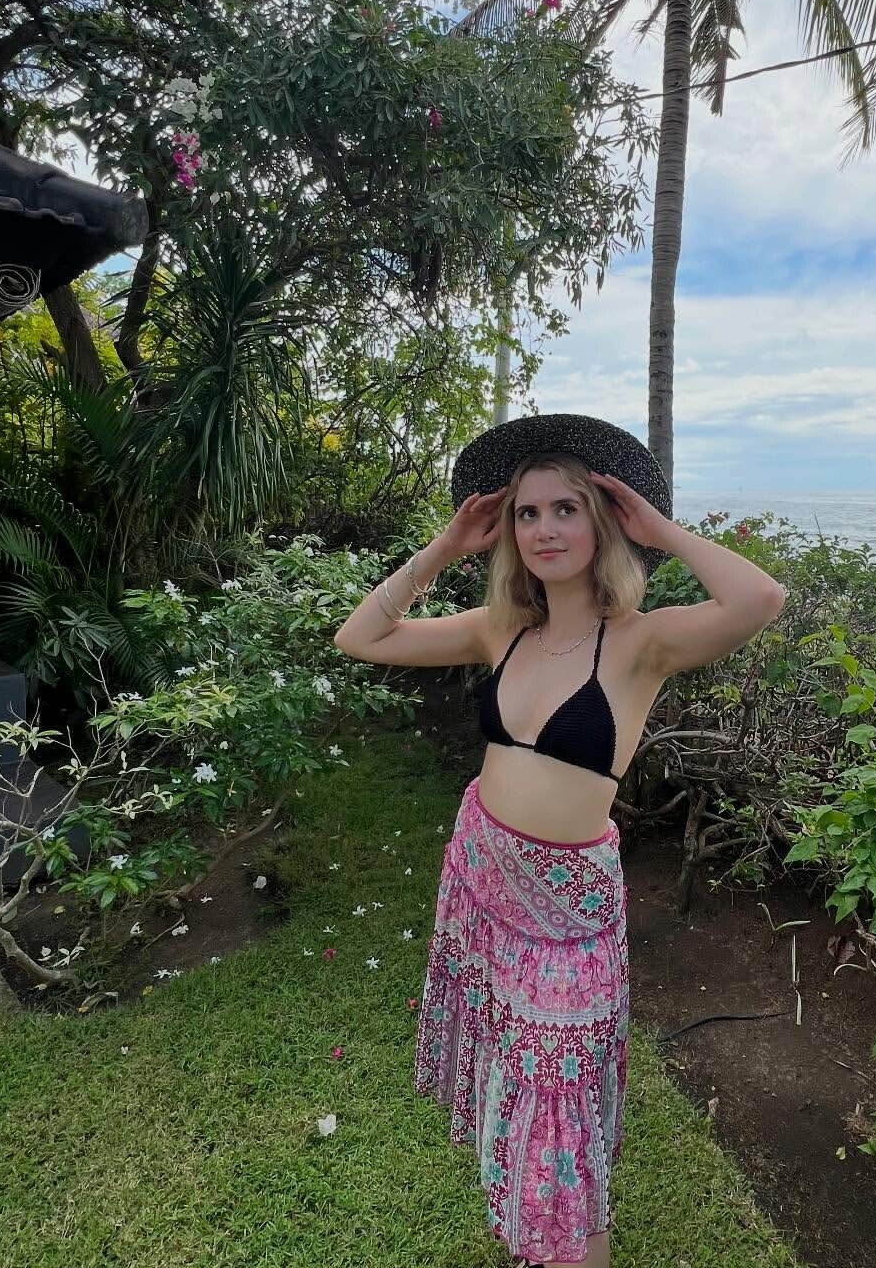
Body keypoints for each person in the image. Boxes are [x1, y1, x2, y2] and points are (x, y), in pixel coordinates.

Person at [332, 414, 787, 1268]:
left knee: (561, 1112)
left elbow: (760, 599)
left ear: (601, 521)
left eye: (567, 509)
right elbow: (360, 636)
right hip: (485, 887)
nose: (544, 529)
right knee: (515, 1085)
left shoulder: (641, 642)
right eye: (528, 513)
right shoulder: (501, 627)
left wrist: (659, 531)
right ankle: (527, 1236)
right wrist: (444, 546)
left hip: (567, 923)